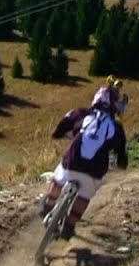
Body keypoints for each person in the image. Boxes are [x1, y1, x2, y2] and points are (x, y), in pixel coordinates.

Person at [38, 85, 129, 240]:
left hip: (72, 162)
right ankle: (69, 226)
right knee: (84, 196)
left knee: (59, 177)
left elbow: (62, 125)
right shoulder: (116, 127)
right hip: (94, 171)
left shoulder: (81, 113)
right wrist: (121, 163)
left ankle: (48, 204)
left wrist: (58, 134)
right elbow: (122, 155)